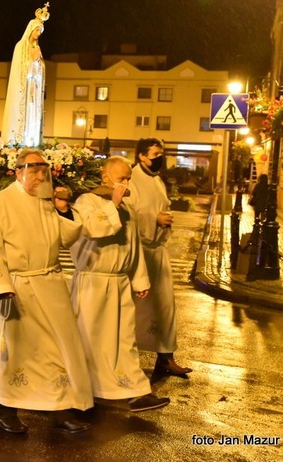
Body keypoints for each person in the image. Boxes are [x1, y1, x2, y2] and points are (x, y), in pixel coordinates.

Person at [0, 148, 93, 434]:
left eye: (45, 170)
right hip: (16, 288)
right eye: (34, 169)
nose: (41, 175)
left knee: (57, 348)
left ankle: (60, 408)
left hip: (50, 285)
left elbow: (62, 238)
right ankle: (4, 410)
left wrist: (62, 211)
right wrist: (0, 287)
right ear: (18, 172)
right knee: (14, 352)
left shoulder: (44, 201)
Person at [70, 156, 169, 412]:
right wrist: (112, 204)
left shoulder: (126, 208)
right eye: (121, 178)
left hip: (119, 283)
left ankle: (136, 391)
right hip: (93, 283)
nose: (126, 183)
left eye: (128, 179)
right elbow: (94, 229)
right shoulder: (85, 201)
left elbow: (132, 245)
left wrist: (139, 278)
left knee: (124, 340)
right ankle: (81, 391)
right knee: (90, 340)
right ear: (105, 177)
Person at [126, 138, 192, 378]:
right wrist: (154, 218)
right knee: (136, 309)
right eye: (155, 153)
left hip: (158, 249)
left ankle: (166, 357)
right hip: (141, 251)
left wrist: (163, 218)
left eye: (160, 153)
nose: (159, 157)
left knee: (165, 306)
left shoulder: (156, 179)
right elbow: (129, 210)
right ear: (142, 156)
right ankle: (124, 358)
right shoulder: (131, 178)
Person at [0, 3, 49, 147]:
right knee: (22, 114)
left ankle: (32, 141)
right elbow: (19, 68)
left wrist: (38, 64)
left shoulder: (37, 48)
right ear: (30, 30)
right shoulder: (21, 46)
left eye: (40, 31)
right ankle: (16, 141)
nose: (38, 33)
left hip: (33, 87)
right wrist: (32, 60)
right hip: (23, 88)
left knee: (32, 113)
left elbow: (40, 67)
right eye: (37, 30)